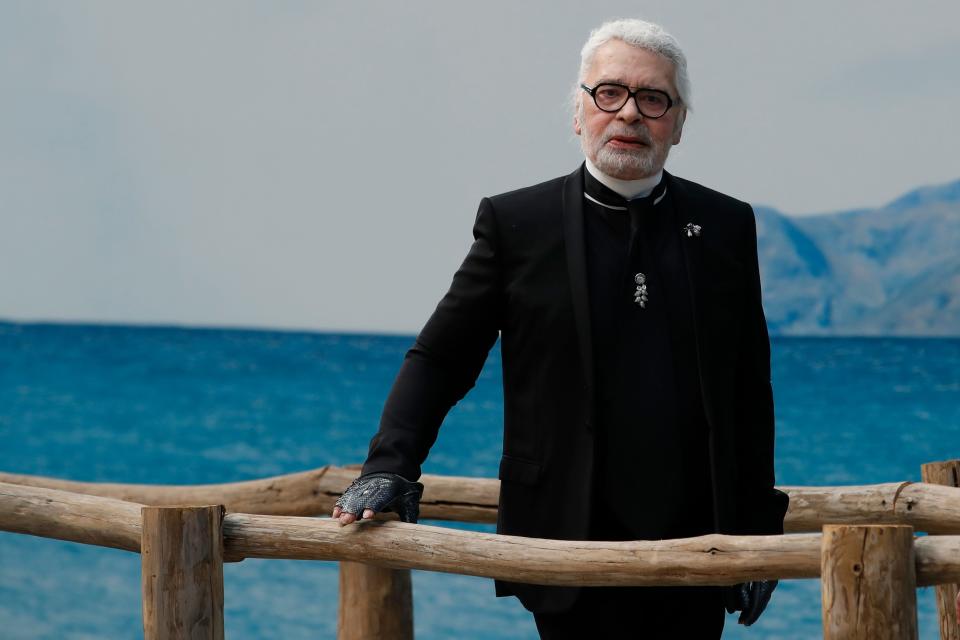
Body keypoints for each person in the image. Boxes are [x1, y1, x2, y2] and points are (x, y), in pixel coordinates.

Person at [332, 17, 788, 639]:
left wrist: (759, 530)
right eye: (610, 93)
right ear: (579, 111)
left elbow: (748, 387)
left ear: (679, 123)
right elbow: (442, 357)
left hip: (696, 545)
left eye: (653, 98)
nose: (629, 113)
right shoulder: (518, 223)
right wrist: (389, 468)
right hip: (562, 537)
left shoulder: (727, 226)